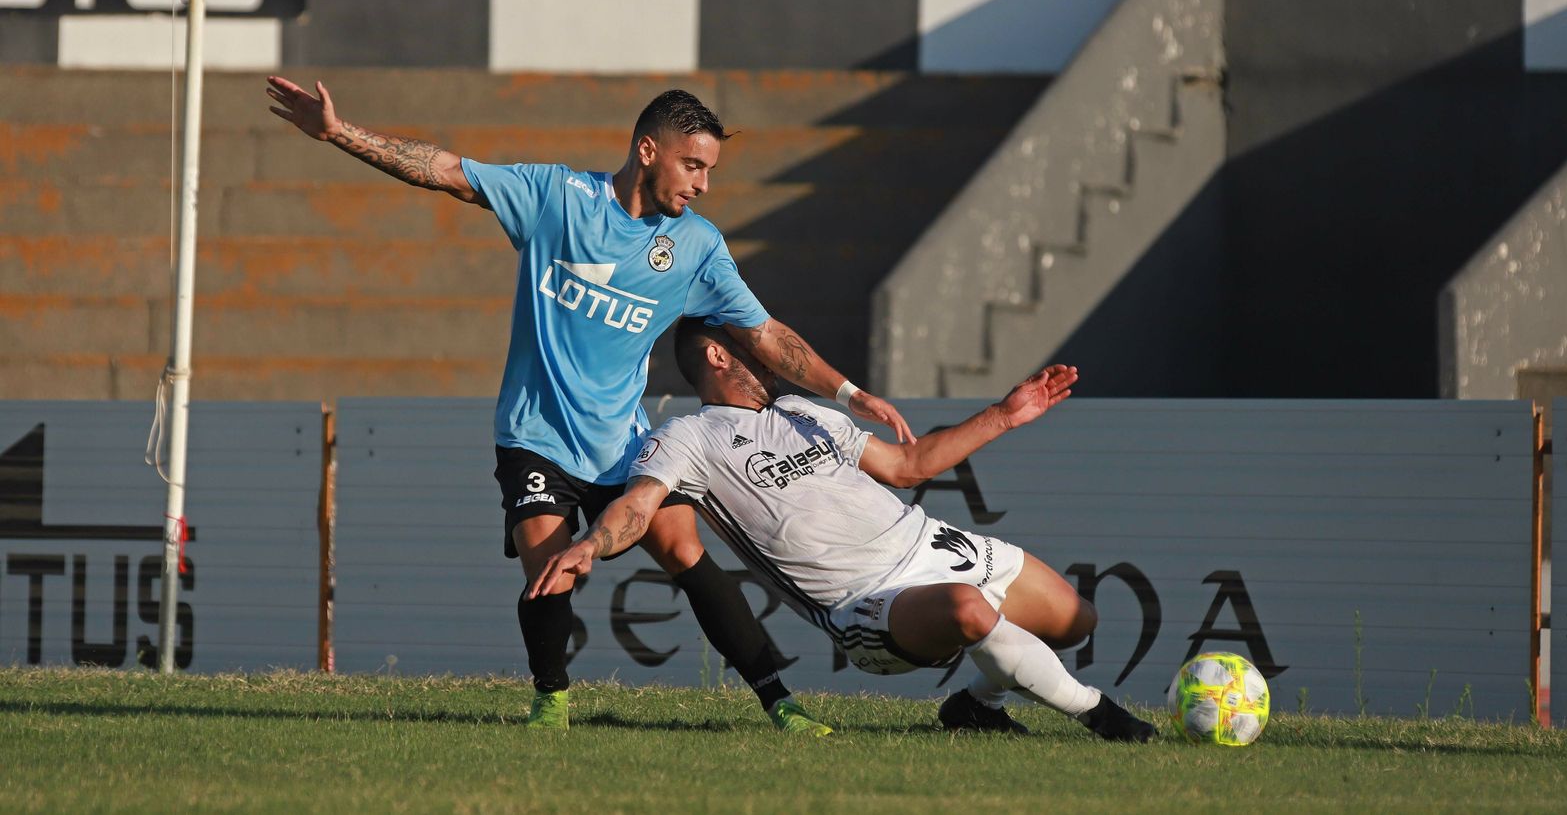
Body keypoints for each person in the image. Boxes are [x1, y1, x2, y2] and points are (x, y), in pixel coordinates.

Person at [266, 78, 916, 735]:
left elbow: (766, 335)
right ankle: (552, 701)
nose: (703, 185)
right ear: (646, 150)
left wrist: (851, 394)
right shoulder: (556, 197)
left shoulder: (695, 247)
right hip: (533, 435)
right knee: (550, 567)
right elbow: (445, 171)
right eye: (693, 166)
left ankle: (781, 703)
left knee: (686, 551)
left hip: (622, 444)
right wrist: (338, 132)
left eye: (710, 170)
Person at [532, 318, 1158, 741]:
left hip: (932, 546)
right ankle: (1103, 717)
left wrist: (1005, 415)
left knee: (1077, 620)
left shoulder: (802, 410)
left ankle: (975, 706)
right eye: (756, 345)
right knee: (969, 611)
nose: (772, 353)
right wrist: (590, 544)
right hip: (867, 604)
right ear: (718, 355)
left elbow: (907, 466)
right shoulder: (688, 439)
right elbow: (639, 506)